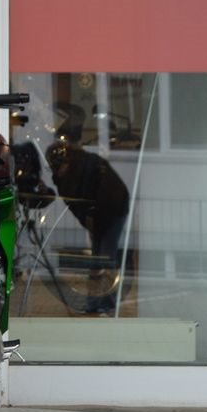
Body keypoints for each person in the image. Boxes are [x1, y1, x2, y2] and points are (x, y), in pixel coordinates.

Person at [44, 102, 130, 314]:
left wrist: (91, 217)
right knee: (98, 258)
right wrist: (89, 219)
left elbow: (97, 196)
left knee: (105, 257)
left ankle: (107, 303)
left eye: (60, 166)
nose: (59, 170)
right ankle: (96, 302)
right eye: (56, 167)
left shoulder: (84, 167)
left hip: (113, 210)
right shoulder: (70, 175)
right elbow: (76, 203)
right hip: (103, 212)